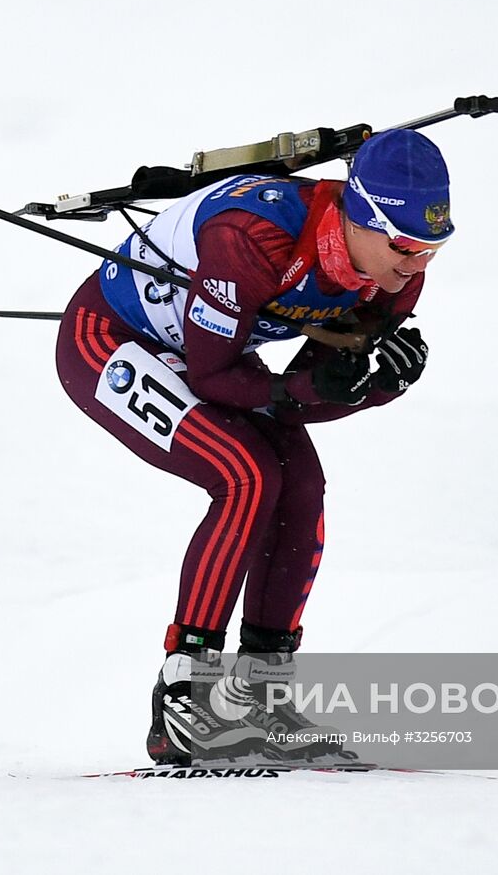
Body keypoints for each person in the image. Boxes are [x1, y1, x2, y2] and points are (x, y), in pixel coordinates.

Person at [54, 129, 453, 764]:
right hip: (110, 340)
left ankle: (265, 696)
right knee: (246, 474)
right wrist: (313, 386)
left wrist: (374, 388)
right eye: (405, 245)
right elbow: (223, 378)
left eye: (434, 247)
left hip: (211, 357)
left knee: (300, 484)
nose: (416, 264)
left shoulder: (394, 277)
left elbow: (304, 394)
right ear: (358, 216)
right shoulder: (251, 237)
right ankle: (186, 697)